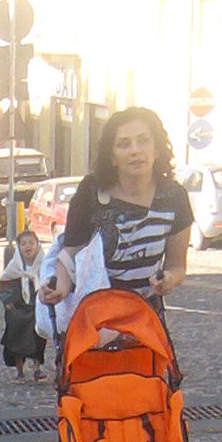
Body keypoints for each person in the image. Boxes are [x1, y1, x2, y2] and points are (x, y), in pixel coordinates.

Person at [40, 106, 191, 318]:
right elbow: (70, 254)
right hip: (94, 316)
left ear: (157, 149)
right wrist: (60, 289)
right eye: (124, 144)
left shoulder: (174, 197)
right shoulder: (91, 192)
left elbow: (177, 265)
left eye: (143, 140)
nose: (135, 150)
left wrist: (169, 279)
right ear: (112, 156)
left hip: (145, 318)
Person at [0, 226, 47, 383]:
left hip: (36, 306)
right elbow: (4, 282)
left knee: (38, 336)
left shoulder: (44, 264)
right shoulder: (14, 267)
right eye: (24, 243)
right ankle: (20, 371)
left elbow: (50, 281)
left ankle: (37, 368)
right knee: (15, 337)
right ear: (19, 247)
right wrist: (8, 303)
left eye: (31, 243)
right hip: (17, 308)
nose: (28, 247)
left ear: (37, 245)